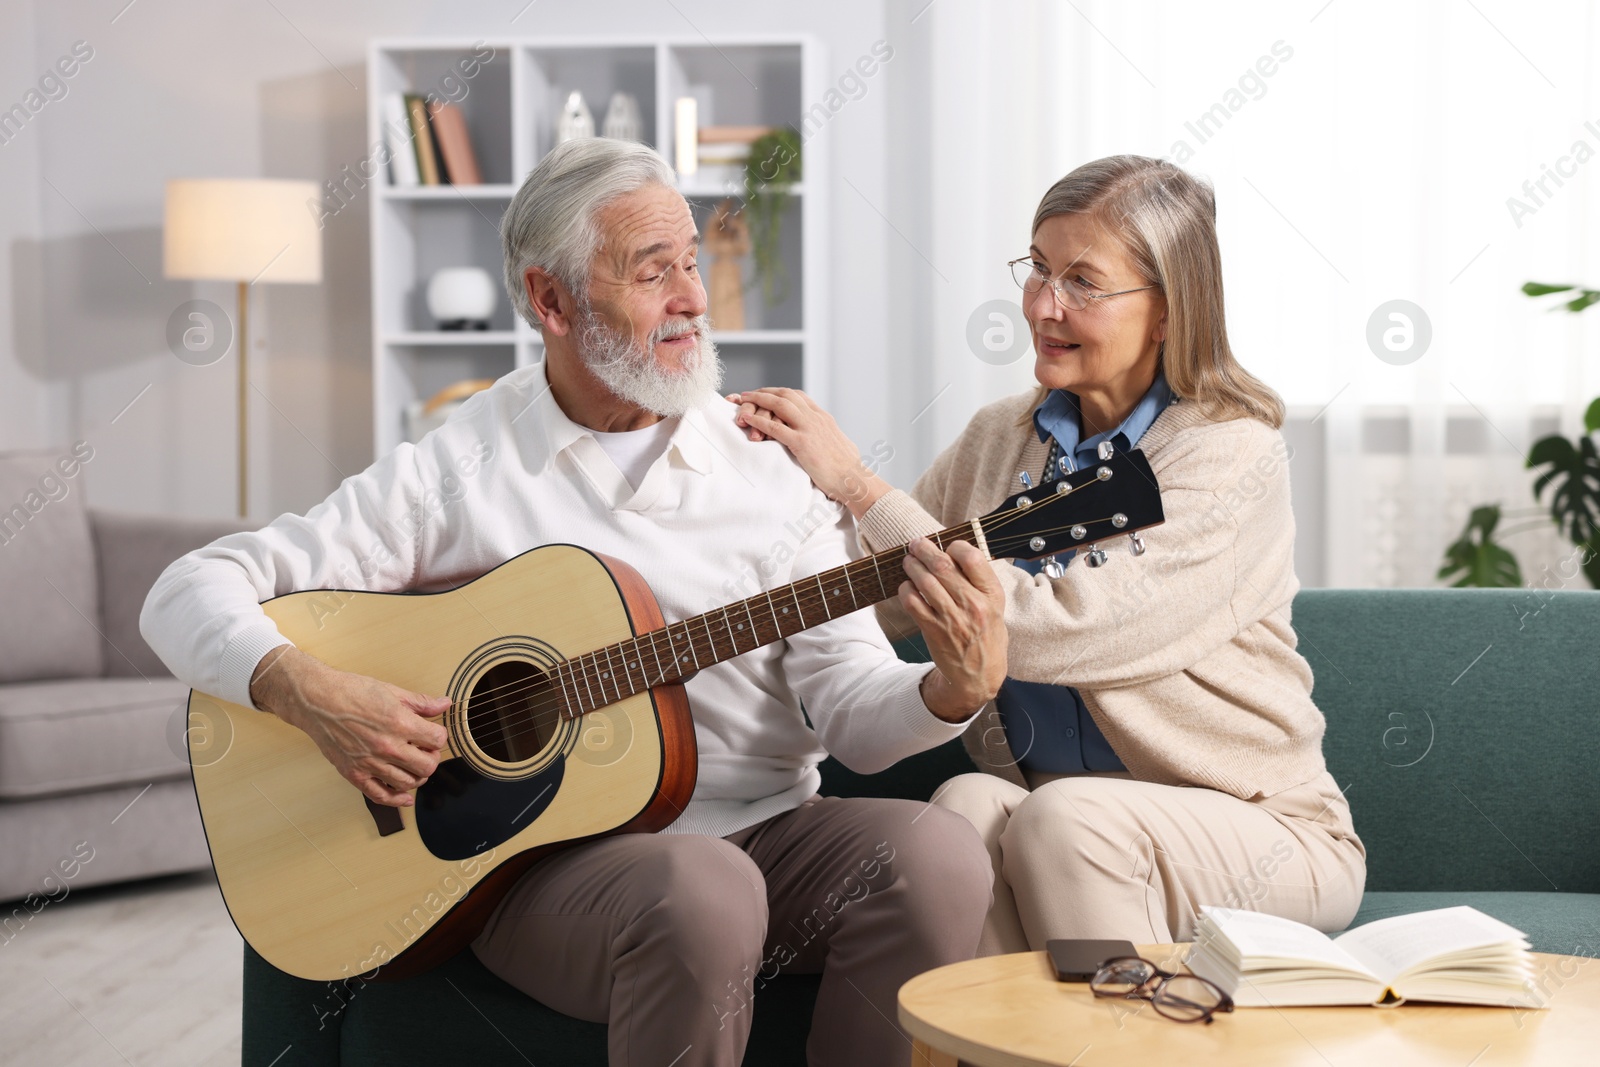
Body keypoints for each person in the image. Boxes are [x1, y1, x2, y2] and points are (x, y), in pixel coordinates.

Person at [140, 139, 1005, 1067]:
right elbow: (187, 588)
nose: (694, 300)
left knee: (939, 851)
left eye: (692, 262)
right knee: (704, 887)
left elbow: (854, 714)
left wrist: (947, 693)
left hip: (768, 829)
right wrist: (304, 689)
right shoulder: (459, 461)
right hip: (543, 864)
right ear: (550, 300)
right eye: (651, 271)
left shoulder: (774, 461)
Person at [729, 154, 1366, 956]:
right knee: (964, 805)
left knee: (1067, 817)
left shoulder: (1230, 454)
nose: (1042, 304)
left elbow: (1063, 628)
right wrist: (735, 552)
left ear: (1169, 312)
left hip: (1264, 828)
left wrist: (858, 484)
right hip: (1064, 824)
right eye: (1036, 269)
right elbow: (878, 595)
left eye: (1082, 282)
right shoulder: (1002, 436)